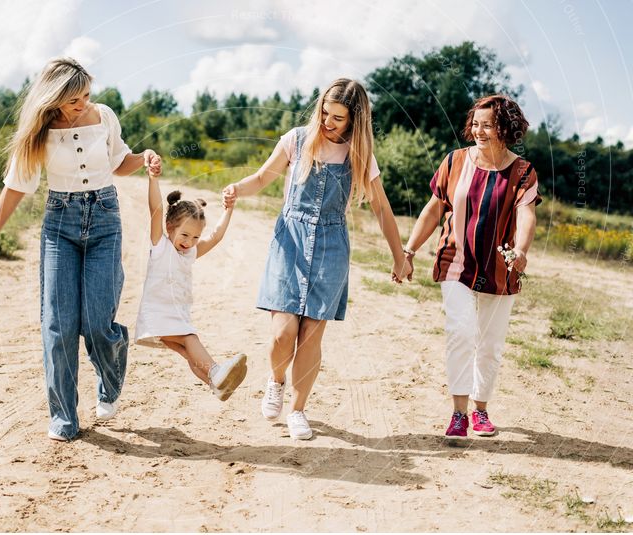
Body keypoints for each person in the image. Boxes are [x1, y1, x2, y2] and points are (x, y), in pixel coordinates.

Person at [0, 57, 161, 441]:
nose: (84, 104)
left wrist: (144, 159)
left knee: (97, 321)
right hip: (59, 225)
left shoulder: (103, 116)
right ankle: (63, 417)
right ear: (54, 98)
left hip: (105, 220)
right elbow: (15, 186)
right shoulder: (38, 133)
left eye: (87, 95)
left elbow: (119, 162)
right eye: (74, 99)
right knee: (58, 325)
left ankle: (110, 374)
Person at [222, 78, 409, 440]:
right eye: (325, 112)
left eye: (338, 118)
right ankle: (276, 381)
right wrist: (236, 190)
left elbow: (382, 209)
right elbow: (263, 178)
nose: (327, 122)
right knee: (283, 332)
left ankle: (297, 409)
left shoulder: (360, 155)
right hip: (290, 239)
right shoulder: (296, 140)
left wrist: (399, 257)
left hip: (331, 246)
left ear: (355, 120)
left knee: (309, 338)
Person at [404, 94, 539, 441]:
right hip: (456, 262)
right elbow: (434, 209)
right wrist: (409, 250)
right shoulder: (454, 162)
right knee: (461, 331)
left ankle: (481, 409)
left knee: (490, 343)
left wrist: (521, 251)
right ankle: (459, 412)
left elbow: (527, 214)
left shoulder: (523, 172)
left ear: (505, 128)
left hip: (500, 268)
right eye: (475, 124)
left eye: (488, 125)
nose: (479, 131)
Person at [133, 169, 247, 401]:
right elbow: (155, 209)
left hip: (175, 314)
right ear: (169, 227)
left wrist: (229, 210)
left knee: (189, 352)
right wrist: (153, 179)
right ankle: (215, 370)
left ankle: (216, 384)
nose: (189, 242)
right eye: (184, 235)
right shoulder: (160, 246)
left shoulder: (189, 253)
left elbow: (215, 237)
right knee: (190, 340)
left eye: (195, 238)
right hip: (159, 313)